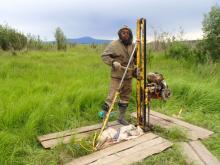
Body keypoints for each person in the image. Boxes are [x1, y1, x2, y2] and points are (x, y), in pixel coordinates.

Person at [101, 25, 137, 125]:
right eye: (123, 33)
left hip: (128, 76)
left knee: (125, 97)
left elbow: (136, 59)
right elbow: (104, 56)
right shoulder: (113, 44)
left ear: (130, 34)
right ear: (120, 34)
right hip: (117, 76)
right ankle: (105, 120)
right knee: (111, 98)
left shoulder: (132, 45)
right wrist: (113, 62)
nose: (126, 35)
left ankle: (121, 118)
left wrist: (136, 69)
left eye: (128, 33)